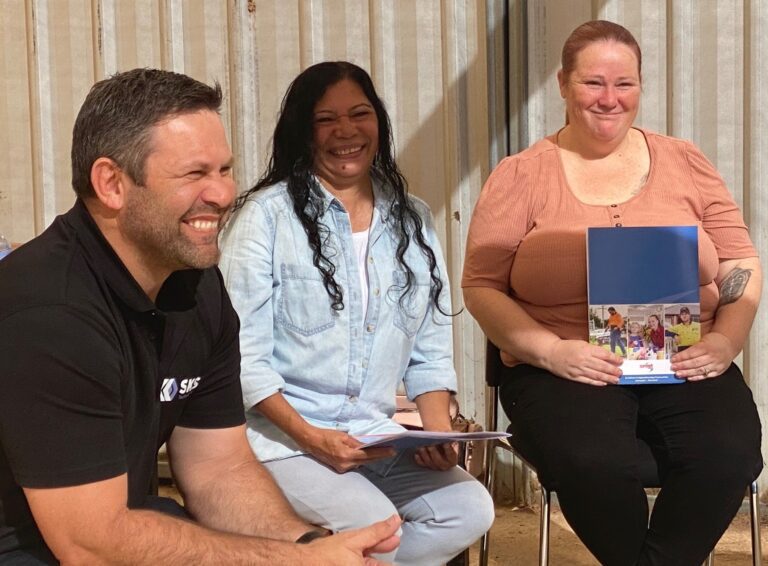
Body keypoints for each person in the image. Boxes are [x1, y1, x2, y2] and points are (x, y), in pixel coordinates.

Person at [0, 68, 401, 565]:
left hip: (120, 525)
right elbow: (90, 544)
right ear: (111, 183)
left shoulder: (195, 284)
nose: (222, 194)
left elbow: (219, 470)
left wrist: (308, 545)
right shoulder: (51, 313)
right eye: (195, 174)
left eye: (224, 170)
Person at [462, 20, 762, 566]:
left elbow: (739, 257)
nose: (609, 99)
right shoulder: (520, 175)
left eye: (624, 84)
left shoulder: (685, 161)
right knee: (595, 461)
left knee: (729, 454)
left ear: (641, 87)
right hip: (561, 365)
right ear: (562, 84)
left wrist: (727, 342)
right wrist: (551, 351)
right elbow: (482, 285)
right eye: (593, 83)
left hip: (682, 356)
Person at [219, 61, 494, 566]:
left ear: (379, 125)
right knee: (376, 530)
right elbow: (242, 361)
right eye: (326, 120)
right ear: (304, 132)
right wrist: (312, 438)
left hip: (374, 441)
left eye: (359, 114)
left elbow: (429, 355)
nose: (345, 132)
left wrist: (440, 436)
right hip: (283, 442)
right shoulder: (264, 218)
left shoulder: (411, 218)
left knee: (468, 508)